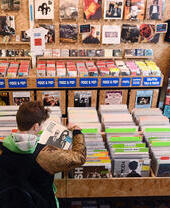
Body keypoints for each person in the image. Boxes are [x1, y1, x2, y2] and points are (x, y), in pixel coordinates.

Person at [0, 101, 86, 208]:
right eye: (41, 125)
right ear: (36, 126)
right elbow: (79, 157)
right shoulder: (45, 154)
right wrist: (77, 133)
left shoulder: (3, 148)